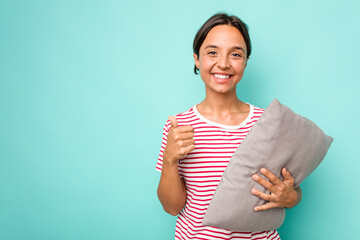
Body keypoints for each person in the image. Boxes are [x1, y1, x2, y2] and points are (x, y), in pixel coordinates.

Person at [156, 13, 302, 240]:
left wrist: (291, 197)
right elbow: (172, 207)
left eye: (235, 54)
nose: (223, 63)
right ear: (197, 59)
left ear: (245, 62)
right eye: (212, 52)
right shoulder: (179, 126)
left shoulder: (269, 122)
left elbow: (292, 188)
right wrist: (169, 160)